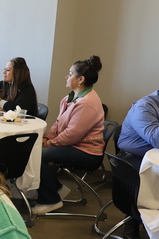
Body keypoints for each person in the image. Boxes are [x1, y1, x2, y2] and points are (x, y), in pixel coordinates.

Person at [33, 56, 106, 215]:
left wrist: (49, 144)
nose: (67, 76)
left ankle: (50, 200)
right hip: (73, 146)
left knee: (38, 155)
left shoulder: (87, 102)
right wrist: (47, 137)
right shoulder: (70, 98)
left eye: (70, 73)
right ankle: (57, 189)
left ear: (80, 79)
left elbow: (72, 135)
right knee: (35, 150)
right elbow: (58, 124)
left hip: (86, 152)